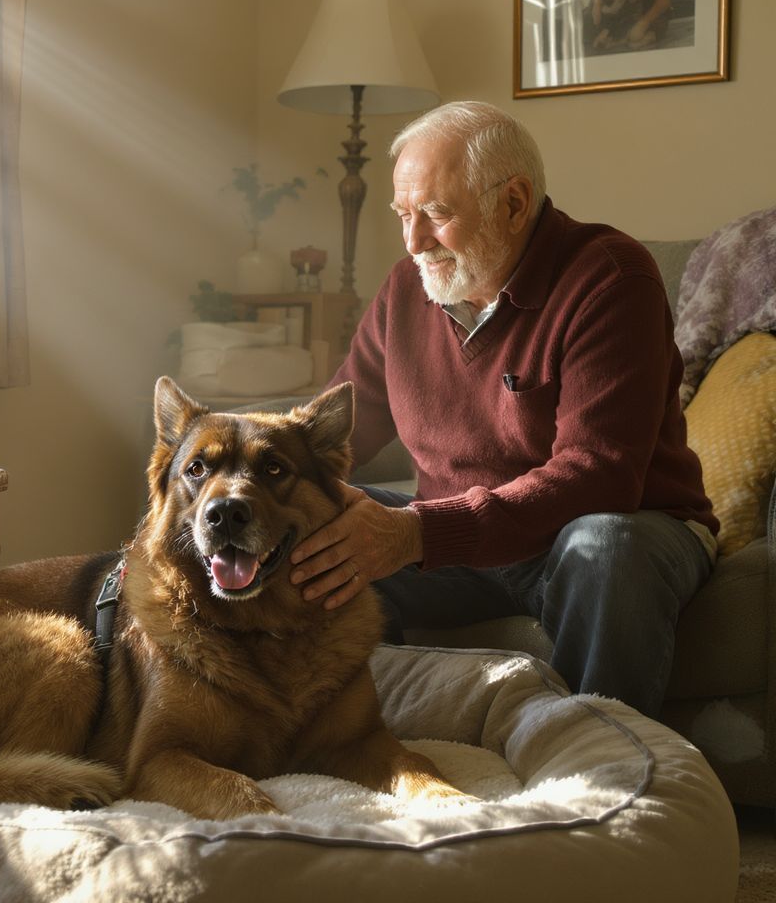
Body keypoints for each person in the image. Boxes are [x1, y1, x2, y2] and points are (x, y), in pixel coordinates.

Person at [288, 101, 716, 719]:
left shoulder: (612, 278)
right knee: (311, 527)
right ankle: (350, 734)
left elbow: (600, 476)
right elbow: (330, 435)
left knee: (607, 546)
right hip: (465, 544)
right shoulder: (407, 290)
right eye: (403, 215)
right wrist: (244, 472)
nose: (413, 243)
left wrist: (420, 531)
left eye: (435, 214)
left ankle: (597, 768)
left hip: (619, 528)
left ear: (514, 204)